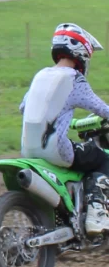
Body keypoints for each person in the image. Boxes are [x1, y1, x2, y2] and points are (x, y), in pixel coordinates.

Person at [20, 24, 109, 234]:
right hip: (57, 150)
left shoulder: (40, 75)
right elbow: (102, 110)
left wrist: (65, 120)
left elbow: (24, 107)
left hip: (28, 149)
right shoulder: (74, 79)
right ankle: (96, 213)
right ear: (82, 53)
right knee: (102, 157)